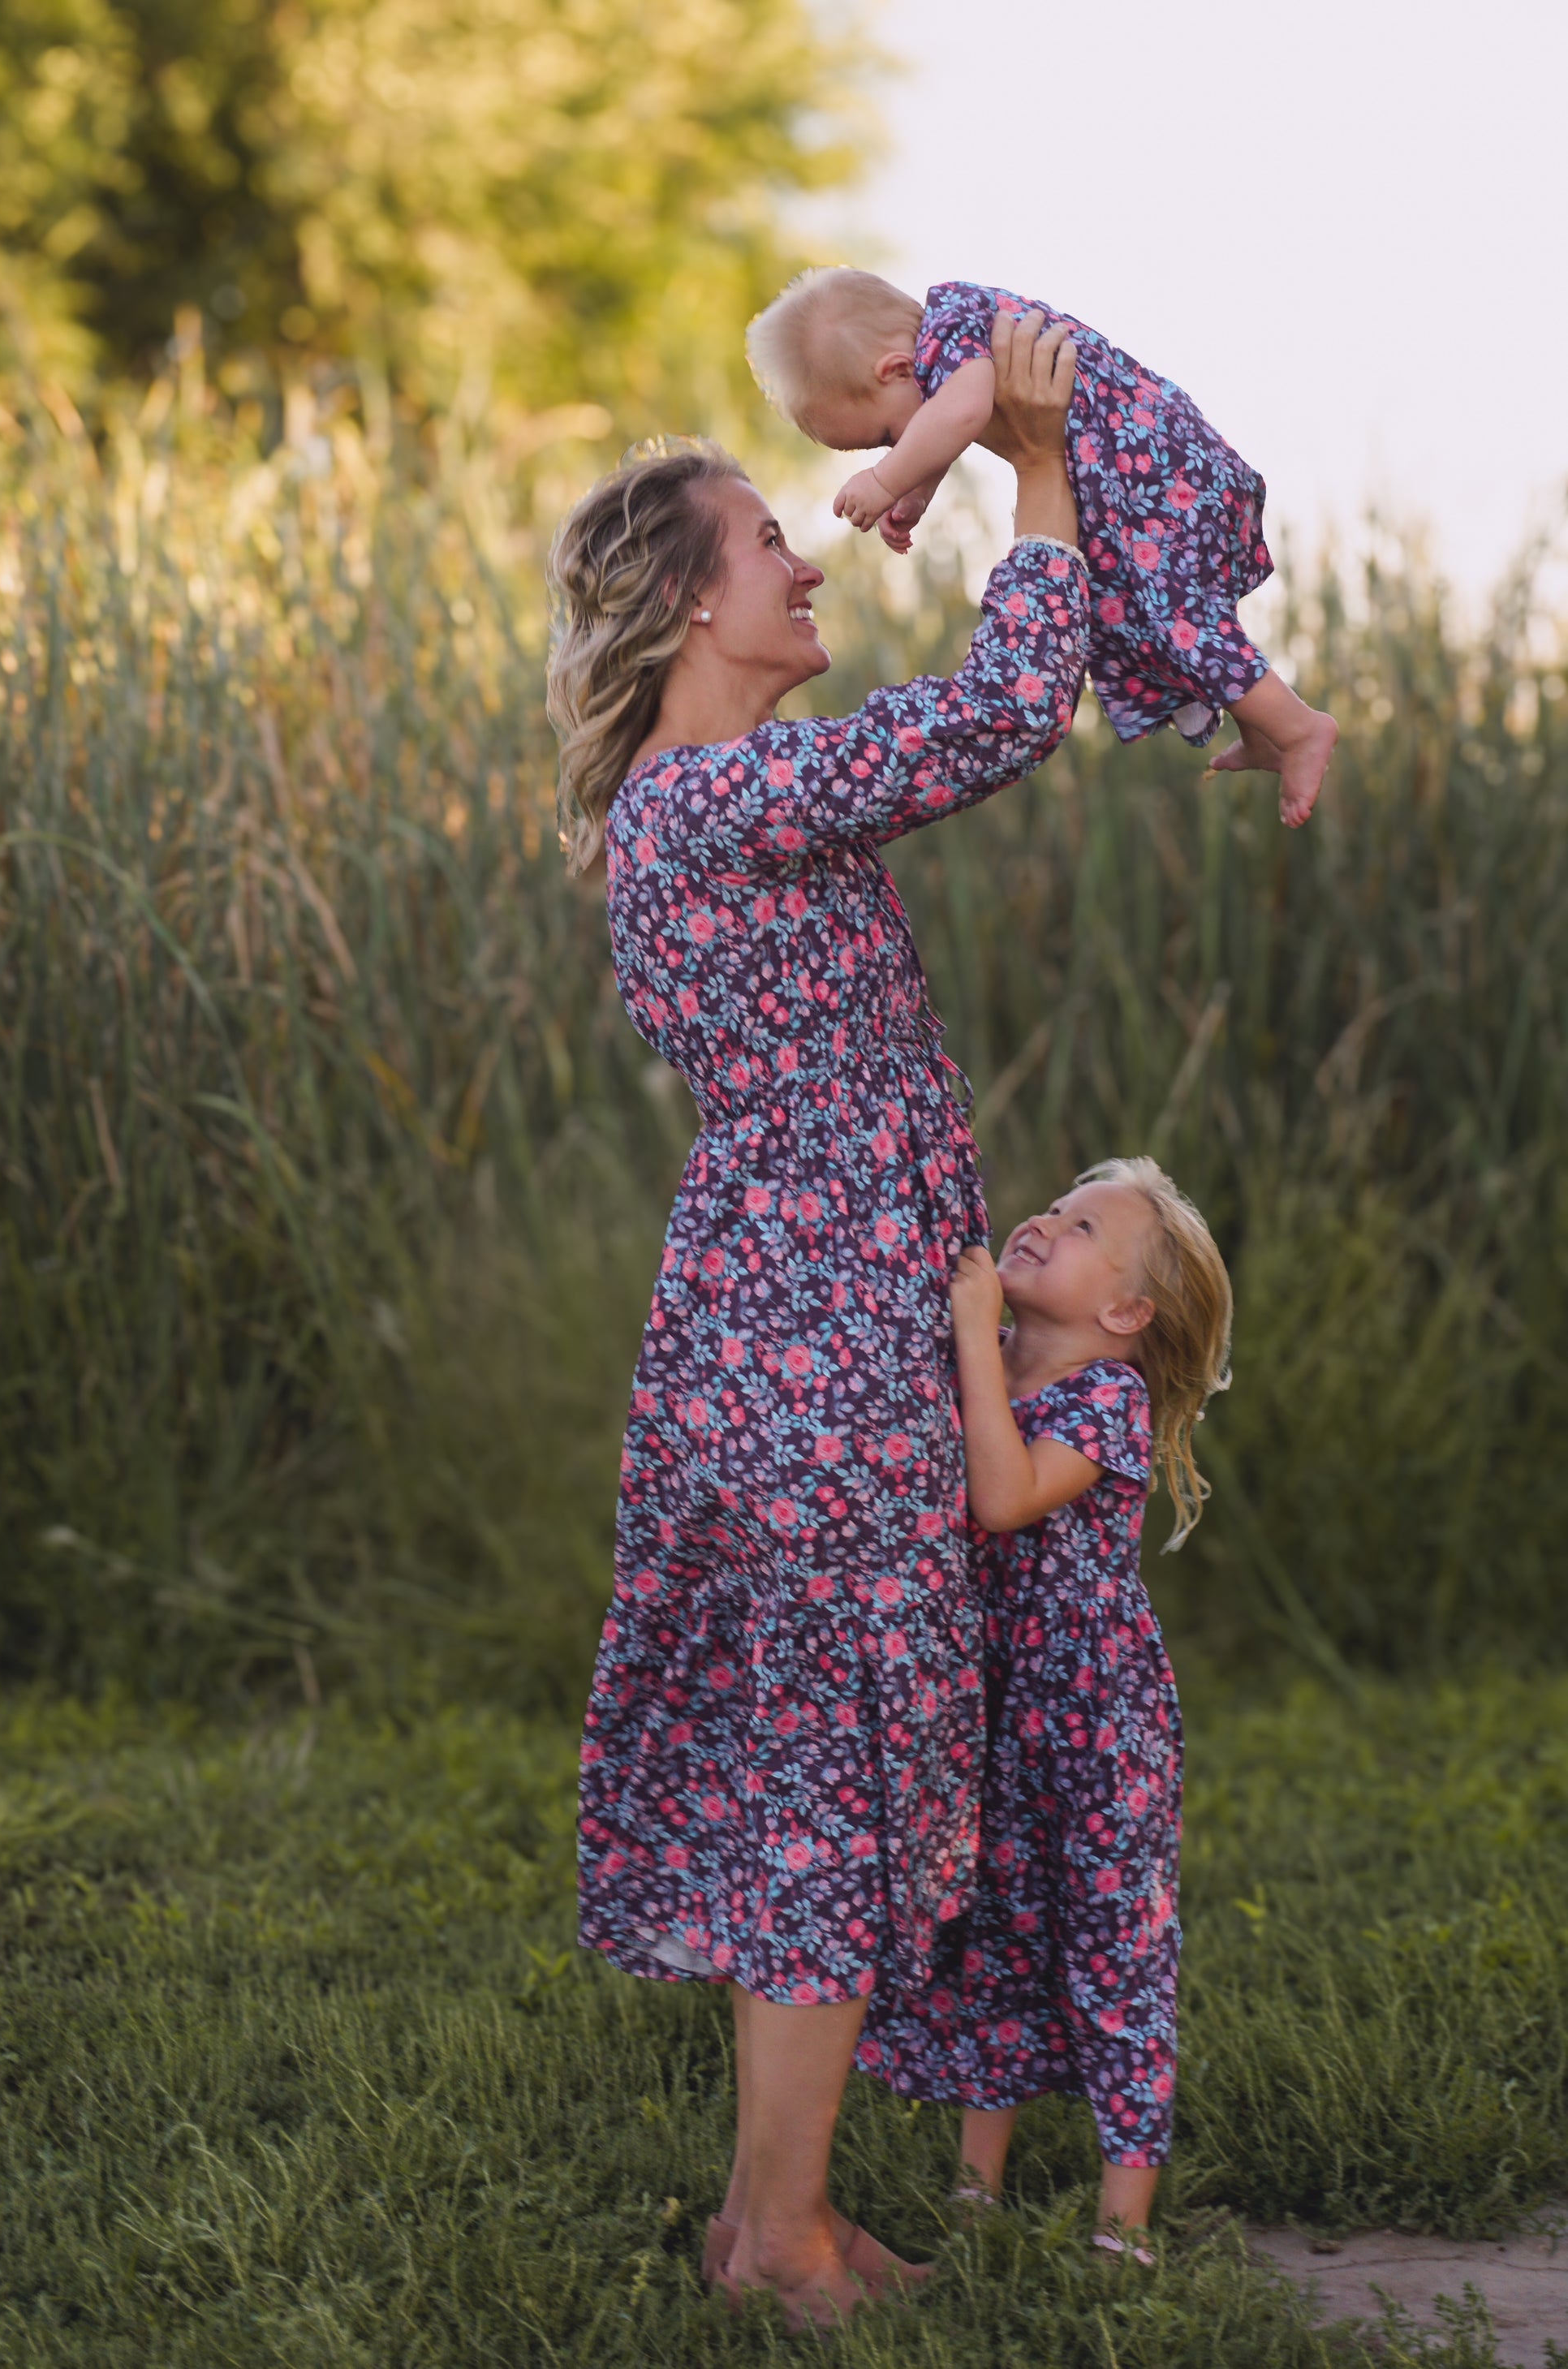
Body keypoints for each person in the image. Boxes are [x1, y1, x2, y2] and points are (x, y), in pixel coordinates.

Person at [545, 313, 1087, 2332]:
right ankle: (775, 2242)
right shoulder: (715, 803)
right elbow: (998, 713)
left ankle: (788, 2218)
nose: (803, 556)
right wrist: (1026, 457)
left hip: (813, 1324)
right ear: (693, 597)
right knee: (828, 1783)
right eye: (764, 535)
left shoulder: (726, 804)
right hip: (817, 1343)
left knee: (829, 1777)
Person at [856, 1157, 1233, 2263]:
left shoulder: (1103, 1396)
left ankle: (1123, 2225)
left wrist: (974, 1333)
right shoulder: (990, 1365)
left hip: (1093, 1715)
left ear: (1123, 1312)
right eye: (1054, 1204)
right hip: (990, 1706)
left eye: (1077, 1226)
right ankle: (977, 2188)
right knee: (995, 1935)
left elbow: (1005, 1495)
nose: (1040, 1220)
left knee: (1113, 1940)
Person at [747, 267, 1338, 828]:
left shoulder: (952, 328)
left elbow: (962, 412)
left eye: (883, 438)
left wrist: (884, 480)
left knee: (1176, 617)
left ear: (895, 369)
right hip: (1133, 489)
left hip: (1161, 479)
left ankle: (1299, 726)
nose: (894, 450)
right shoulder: (944, 357)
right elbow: (943, 421)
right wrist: (915, 493)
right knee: (1122, 609)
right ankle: (1262, 724)